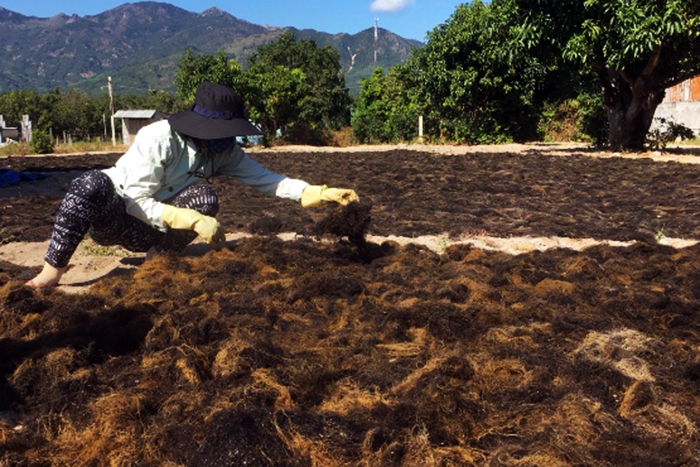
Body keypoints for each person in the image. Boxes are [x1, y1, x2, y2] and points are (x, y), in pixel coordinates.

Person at [26, 81, 359, 289]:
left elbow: (267, 180)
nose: (228, 140)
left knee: (205, 198)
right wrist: (189, 221)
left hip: (153, 234)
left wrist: (315, 192)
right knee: (89, 184)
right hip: (117, 219)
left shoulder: (224, 151)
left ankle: (159, 258)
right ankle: (52, 271)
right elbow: (134, 200)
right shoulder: (159, 138)